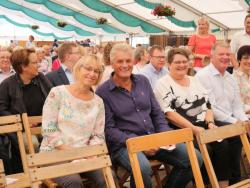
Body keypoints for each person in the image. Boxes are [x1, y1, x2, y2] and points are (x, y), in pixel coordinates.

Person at [96, 43, 203, 188]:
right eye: (120, 61)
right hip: (124, 144)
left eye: (128, 61)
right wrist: (139, 143)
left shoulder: (143, 81)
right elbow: (109, 130)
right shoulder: (103, 92)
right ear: (111, 63)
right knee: (143, 169)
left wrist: (165, 135)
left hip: (154, 138)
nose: (125, 65)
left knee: (195, 157)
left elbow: (157, 113)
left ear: (133, 62)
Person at [154, 48, 230, 187]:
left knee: (223, 143)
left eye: (184, 62)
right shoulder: (162, 84)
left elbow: (207, 105)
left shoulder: (194, 80)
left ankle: (222, 184)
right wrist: (194, 129)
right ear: (169, 64)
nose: (182, 65)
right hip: (180, 128)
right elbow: (169, 114)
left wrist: (211, 122)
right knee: (206, 148)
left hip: (203, 123)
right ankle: (203, 184)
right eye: (177, 62)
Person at [40, 55, 106, 188]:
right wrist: (73, 154)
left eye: (96, 71)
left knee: (107, 176)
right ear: (78, 69)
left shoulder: (98, 102)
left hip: (84, 155)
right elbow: (48, 128)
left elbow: (98, 135)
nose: (92, 74)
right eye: (88, 68)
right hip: (55, 154)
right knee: (73, 182)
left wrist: (88, 154)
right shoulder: (57, 93)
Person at [195, 41, 248, 184]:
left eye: (227, 54)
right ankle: (230, 181)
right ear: (211, 55)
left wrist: (244, 121)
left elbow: (237, 106)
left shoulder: (230, 78)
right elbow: (210, 108)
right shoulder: (202, 76)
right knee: (235, 135)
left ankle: (235, 180)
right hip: (209, 120)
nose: (225, 57)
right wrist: (236, 122)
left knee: (241, 131)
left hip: (229, 121)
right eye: (221, 54)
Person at [0, 48, 52, 174]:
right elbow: (1, 109)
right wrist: (23, 123)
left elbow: (54, 98)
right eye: (34, 63)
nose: (38, 64)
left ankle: (52, 172)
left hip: (46, 125)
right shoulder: (7, 84)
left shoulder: (41, 78)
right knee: (31, 143)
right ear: (23, 66)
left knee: (57, 140)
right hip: (21, 129)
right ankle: (38, 174)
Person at [233, 45, 250, 119]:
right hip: (243, 117)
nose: (249, 61)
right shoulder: (233, 78)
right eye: (245, 58)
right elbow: (236, 104)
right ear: (239, 60)